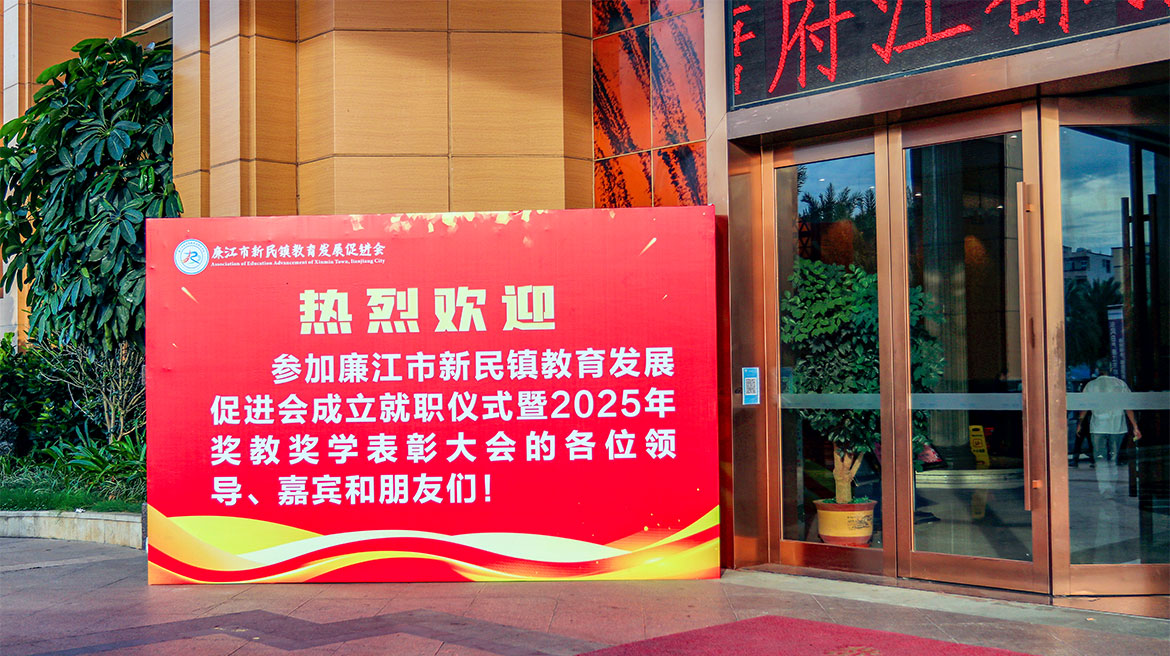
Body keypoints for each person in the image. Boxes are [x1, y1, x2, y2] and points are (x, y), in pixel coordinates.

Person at [1077, 367, 1142, 496]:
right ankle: (1112, 486)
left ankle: (1105, 488)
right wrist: (1135, 426)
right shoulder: (1120, 384)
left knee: (1100, 458)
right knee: (1113, 458)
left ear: (1098, 371)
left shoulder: (1091, 385)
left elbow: (1084, 406)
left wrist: (1080, 423)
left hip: (1098, 426)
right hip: (1117, 426)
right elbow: (1128, 406)